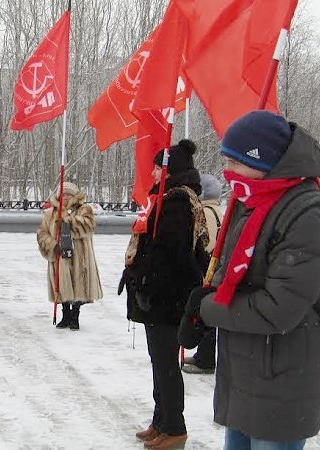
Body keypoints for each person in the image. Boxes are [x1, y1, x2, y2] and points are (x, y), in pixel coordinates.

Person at [178, 110, 320, 450]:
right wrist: (202, 299)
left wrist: (208, 309)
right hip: (246, 376)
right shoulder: (252, 202)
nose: (226, 173)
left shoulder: (307, 214)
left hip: (284, 381)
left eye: (236, 162)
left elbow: (279, 309)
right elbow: (231, 274)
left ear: (266, 161)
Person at [122, 139, 208, 449]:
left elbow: (169, 252)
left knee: (166, 364)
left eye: (159, 167)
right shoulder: (168, 198)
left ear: (172, 170)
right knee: (159, 362)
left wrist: (145, 281)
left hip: (167, 298)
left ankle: (174, 427)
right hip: (161, 296)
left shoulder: (177, 201)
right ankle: (161, 419)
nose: (154, 172)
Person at [36, 181, 103, 330]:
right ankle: (65, 315)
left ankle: (75, 316)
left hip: (80, 256)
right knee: (62, 285)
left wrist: (68, 223)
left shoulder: (84, 209)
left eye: (69, 194)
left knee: (78, 284)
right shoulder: (50, 213)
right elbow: (42, 233)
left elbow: (88, 226)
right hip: (59, 255)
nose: (66, 196)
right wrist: (52, 245)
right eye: (63, 194)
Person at [182, 173, 223, 375]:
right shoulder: (218, 210)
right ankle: (203, 355)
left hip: (207, 268)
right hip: (215, 268)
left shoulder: (205, 212)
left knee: (203, 313)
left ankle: (205, 358)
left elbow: (205, 241)